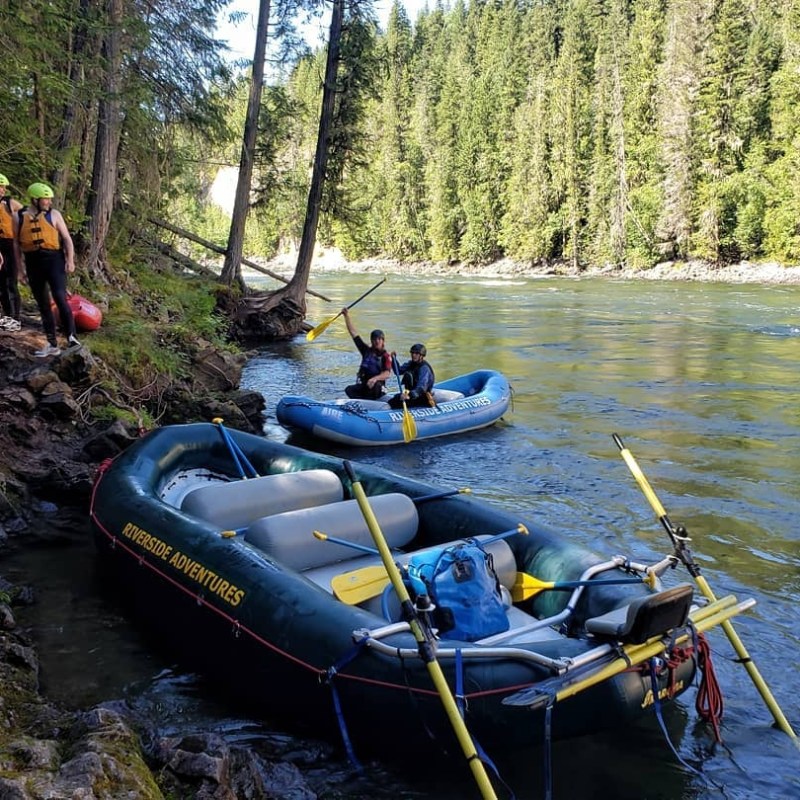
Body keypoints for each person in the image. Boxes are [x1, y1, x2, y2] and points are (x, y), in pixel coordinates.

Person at [16, 182, 80, 357]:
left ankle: (72, 337)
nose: (49, 203)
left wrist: (70, 260)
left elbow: (67, 239)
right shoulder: (19, 217)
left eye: (49, 200)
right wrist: (20, 270)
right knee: (43, 304)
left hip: (54, 260)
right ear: (35, 199)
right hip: (33, 263)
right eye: (46, 200)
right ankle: (52, 344)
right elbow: (16, 246)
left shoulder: (55, 215)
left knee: (60, 297)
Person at [342, 307, 392, 399]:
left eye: (379, 339)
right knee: (349, 389)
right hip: (366, 384)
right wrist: (346, 316)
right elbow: (353, 333)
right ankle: (362, 402)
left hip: (378, 386)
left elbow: (387, 374)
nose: (377, 341)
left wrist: (375, 379)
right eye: (374, 339)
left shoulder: (386, 356)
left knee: (375, 386)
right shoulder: (366, 351)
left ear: (383, 341)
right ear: (371, 341)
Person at [0, 173, 23, 332]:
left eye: (3, 187)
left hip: (11, 245)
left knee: (10, 282)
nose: (2, 190)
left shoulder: (10, 203)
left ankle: (15, 318)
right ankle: (7, 315)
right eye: (0, 187)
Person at [388, 343, 436, 409]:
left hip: (421, 397)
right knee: (395, 398)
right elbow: (398, 371)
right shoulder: (410, 364)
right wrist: (394, 360)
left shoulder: (424, 368)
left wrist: (409, 395)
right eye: (412, 353)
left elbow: (421, 388)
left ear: (421, 356)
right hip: (411, 395)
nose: (413, 355)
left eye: (416, 353)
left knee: (395, 400)